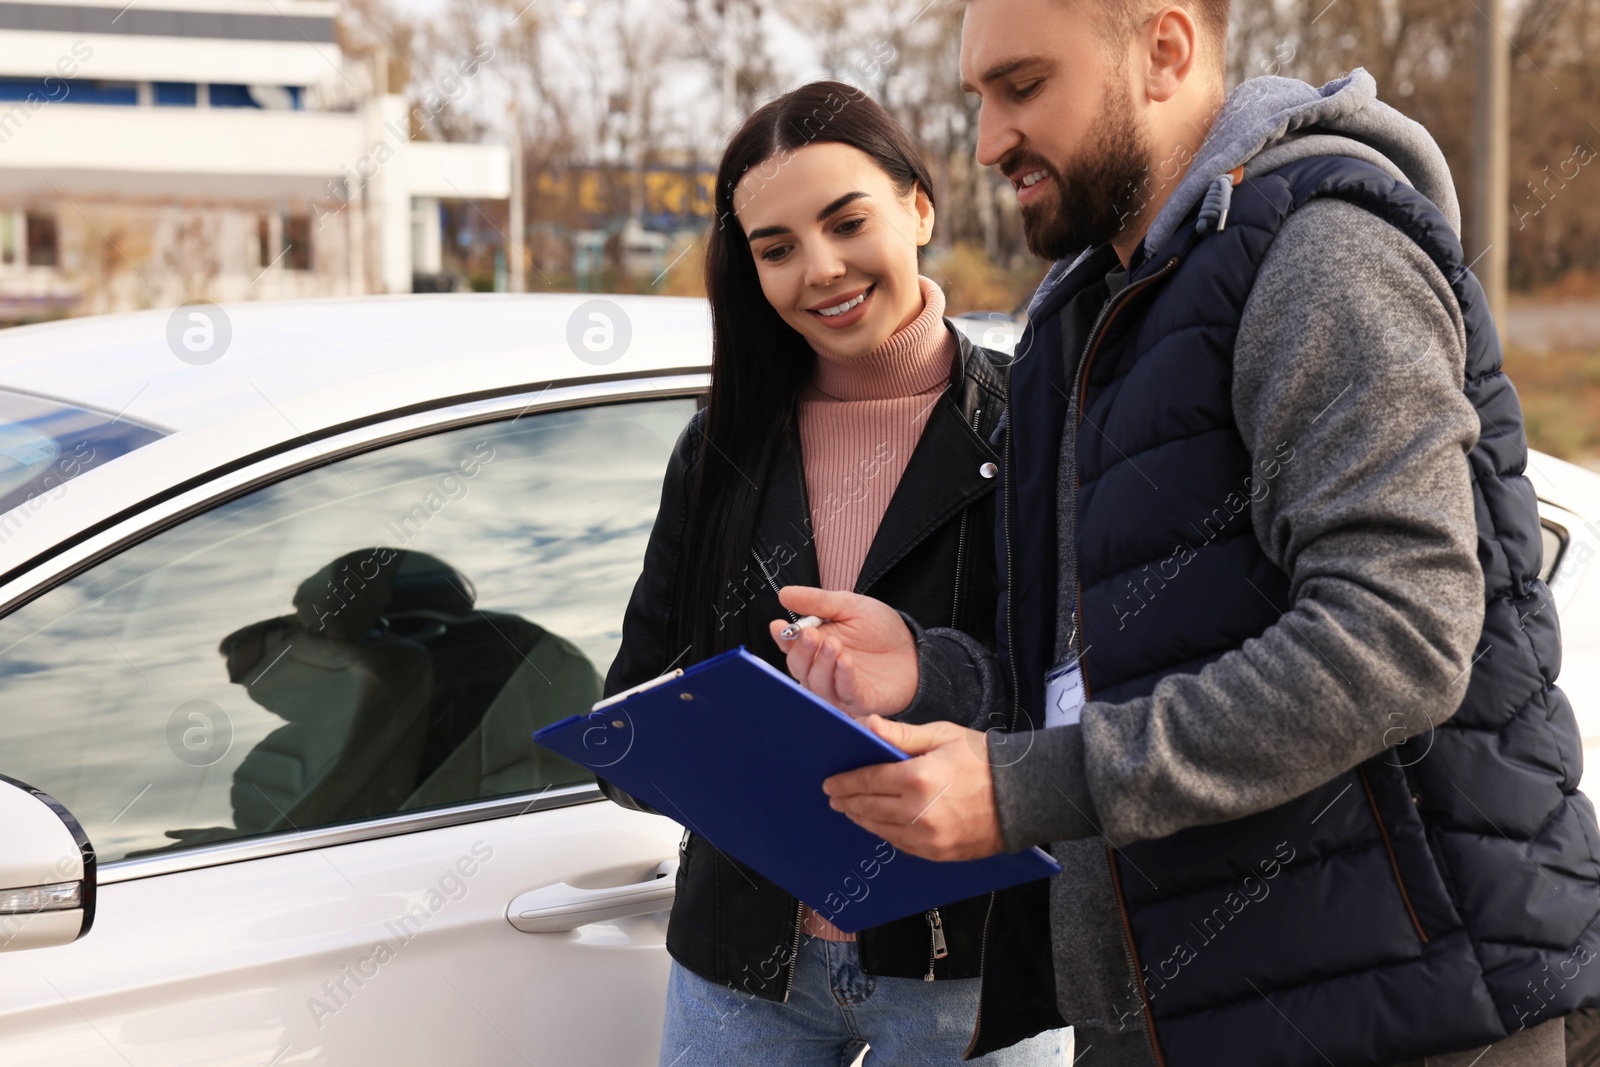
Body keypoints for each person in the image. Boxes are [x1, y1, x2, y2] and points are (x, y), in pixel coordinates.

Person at [767, 3, 1600, 1066]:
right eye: (978, 97)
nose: (986, 142)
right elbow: (1107, 685)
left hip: (1402, 1012)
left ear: (1164, 51)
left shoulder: (1320, 251)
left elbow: (1396, 634)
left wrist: (1021, 790)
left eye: (1022, 88)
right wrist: (929, 677)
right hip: (1171, 1014)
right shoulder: (1080, 323)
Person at [599, 80, 1070, 1066]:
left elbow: (1090, 700)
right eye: (775, 248)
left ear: (918, 206)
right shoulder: (720, 447)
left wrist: (926, 677)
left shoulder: (1036, 422)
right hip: (741, 963)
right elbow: (639, 692)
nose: (819, 269)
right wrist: (652, 745)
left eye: (845, 221)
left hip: (967, 960)